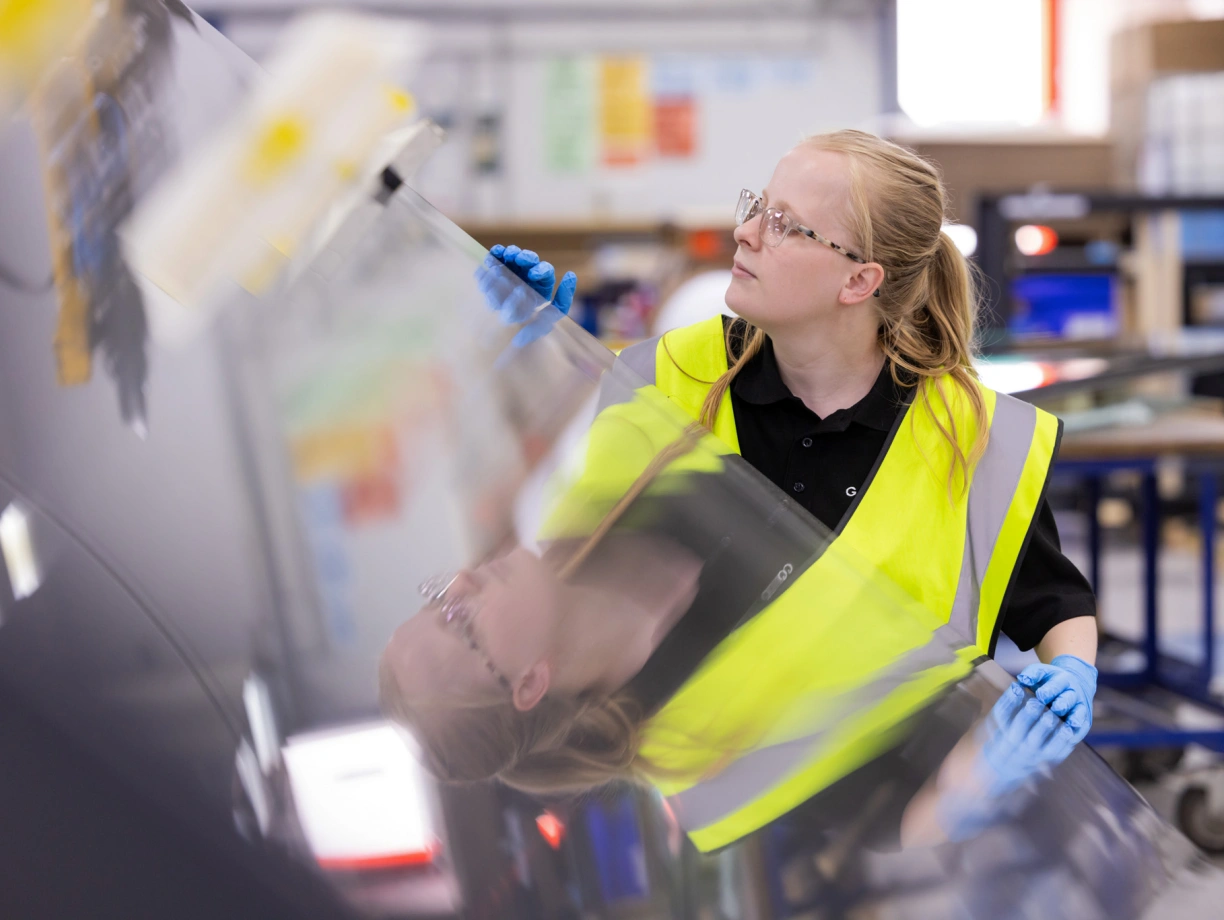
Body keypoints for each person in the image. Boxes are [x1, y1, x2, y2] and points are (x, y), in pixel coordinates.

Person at [381, 129, 1098, 852]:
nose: (745, 230)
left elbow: (1053, 602)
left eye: (780, 220)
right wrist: (530, 348)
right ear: (528, 683)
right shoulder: (673, 377)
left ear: (859, 281)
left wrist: (1074, 668)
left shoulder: (971, 433)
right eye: (760, 208)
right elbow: (864, 825)